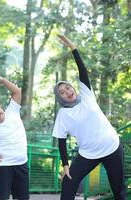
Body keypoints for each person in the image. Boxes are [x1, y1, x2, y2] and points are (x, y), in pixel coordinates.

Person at [52, 34, 127, 200]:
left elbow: (82, 71)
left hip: (112, 147)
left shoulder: (86, 95)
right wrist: (65, 165)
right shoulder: (63, 114)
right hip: (88, 153)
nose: (68, 92)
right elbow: (61, 140)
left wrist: (73, 48)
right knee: (68, 182)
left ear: (74, 88)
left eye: (68, 88)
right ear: (60, 98)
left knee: (119, 190)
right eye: (62, 93)